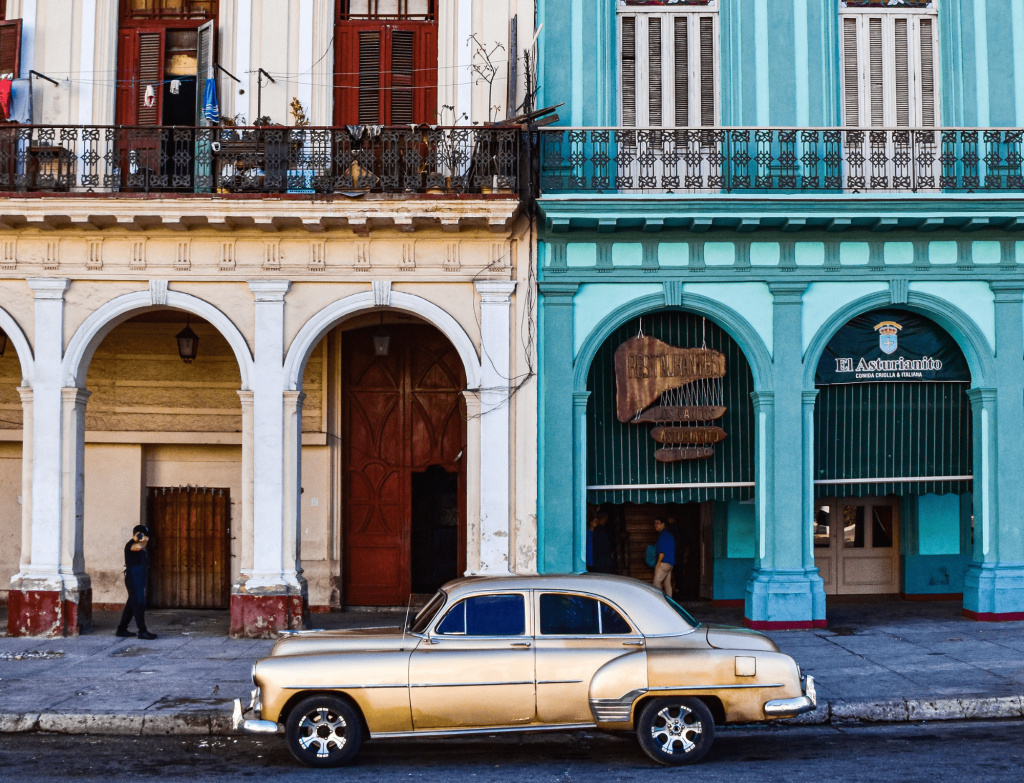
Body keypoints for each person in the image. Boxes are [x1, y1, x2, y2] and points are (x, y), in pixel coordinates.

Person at [116, 525, 158, 640]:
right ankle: (142, 631)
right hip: (133, 579)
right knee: (139, 604)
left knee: (131, 604)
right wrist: (143, 539)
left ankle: (121, 629)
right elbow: (138, 546)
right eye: (142, 534)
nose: (145, 538)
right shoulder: (131, 544)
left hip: (139, 579)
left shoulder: (139, 545)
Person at [652, 517, 675, 597]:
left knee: (656, 583)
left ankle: (660, 600)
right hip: (670, 563)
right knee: (667, 584)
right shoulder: (669, 535)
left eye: (657, 523)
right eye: (655, 523)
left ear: (663, 524)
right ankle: (670, 603)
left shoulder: (663, 535)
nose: (655, 525)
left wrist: (658, 564)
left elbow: (662, 553)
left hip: (663, 563)